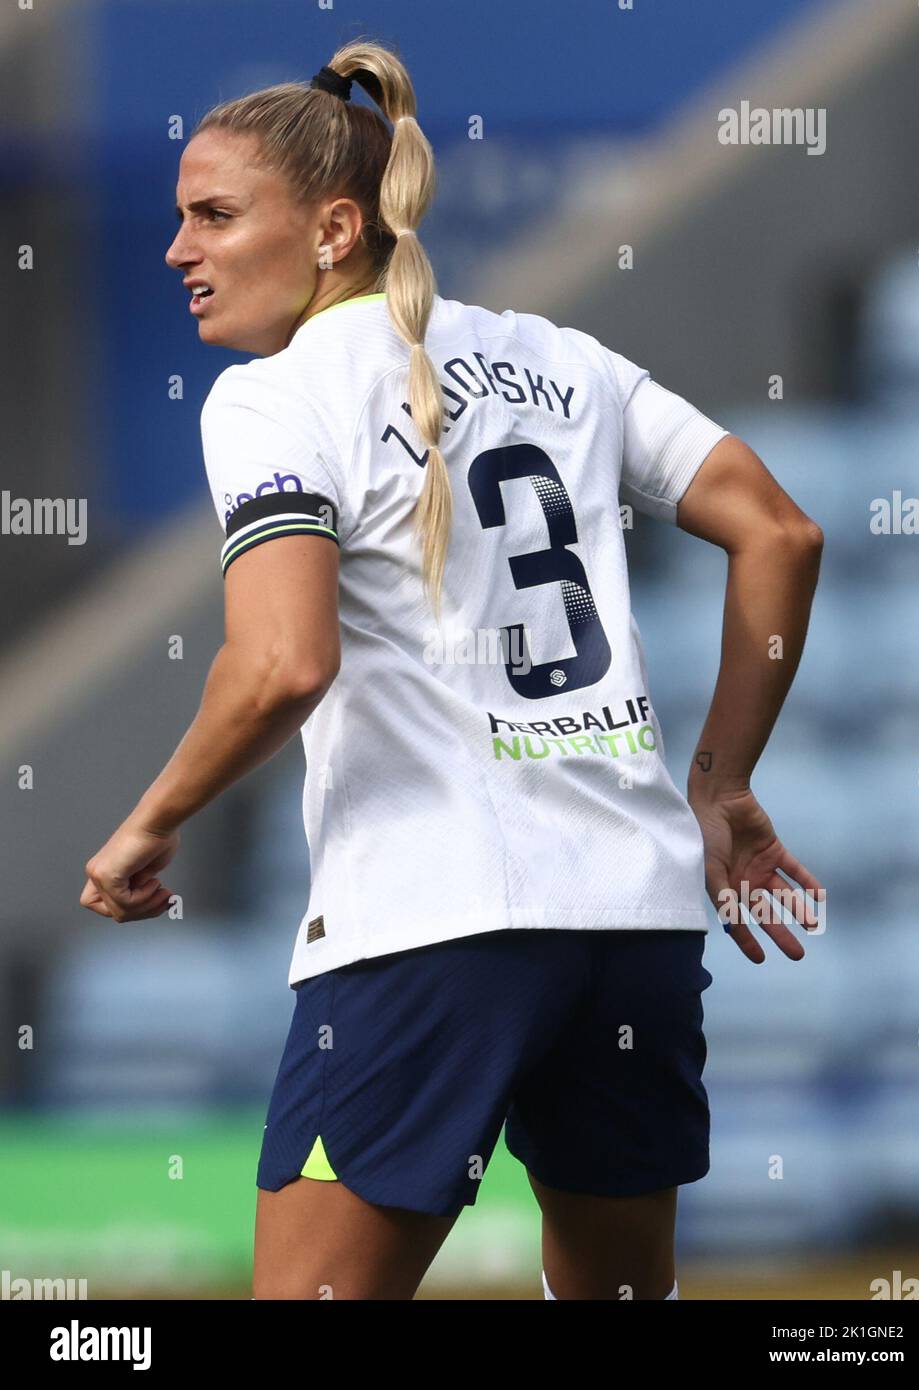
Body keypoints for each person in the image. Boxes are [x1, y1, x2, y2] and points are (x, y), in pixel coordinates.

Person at [80, 38, 825, 1301]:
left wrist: (144, 826)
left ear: (331, 228)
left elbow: (280, 664)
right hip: (633, 925)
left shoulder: (272, 399)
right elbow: (782, 532)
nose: (178, 252)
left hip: (429, 928)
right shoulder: (563, 360)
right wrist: (722, 780)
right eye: (177, 219)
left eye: (212, 215)